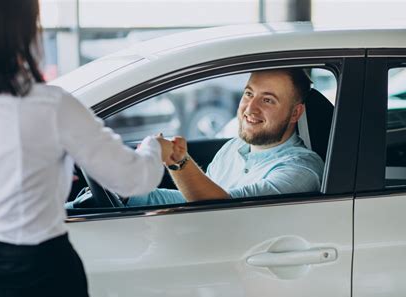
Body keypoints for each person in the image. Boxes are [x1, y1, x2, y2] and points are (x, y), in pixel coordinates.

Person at [0, 1, 173, 297]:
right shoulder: (49, 107)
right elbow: (134, 179)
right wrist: (154, 148)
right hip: (38, 273)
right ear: (21, 30)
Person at [128, 69, 324, 207]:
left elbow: (223, 207)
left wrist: (177, 159)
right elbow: (193, 197)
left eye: (267, 100)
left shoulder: (302, 170)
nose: (250, 108)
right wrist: (131, 194)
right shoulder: (233, 148)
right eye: (249, 94)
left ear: (294, 113)